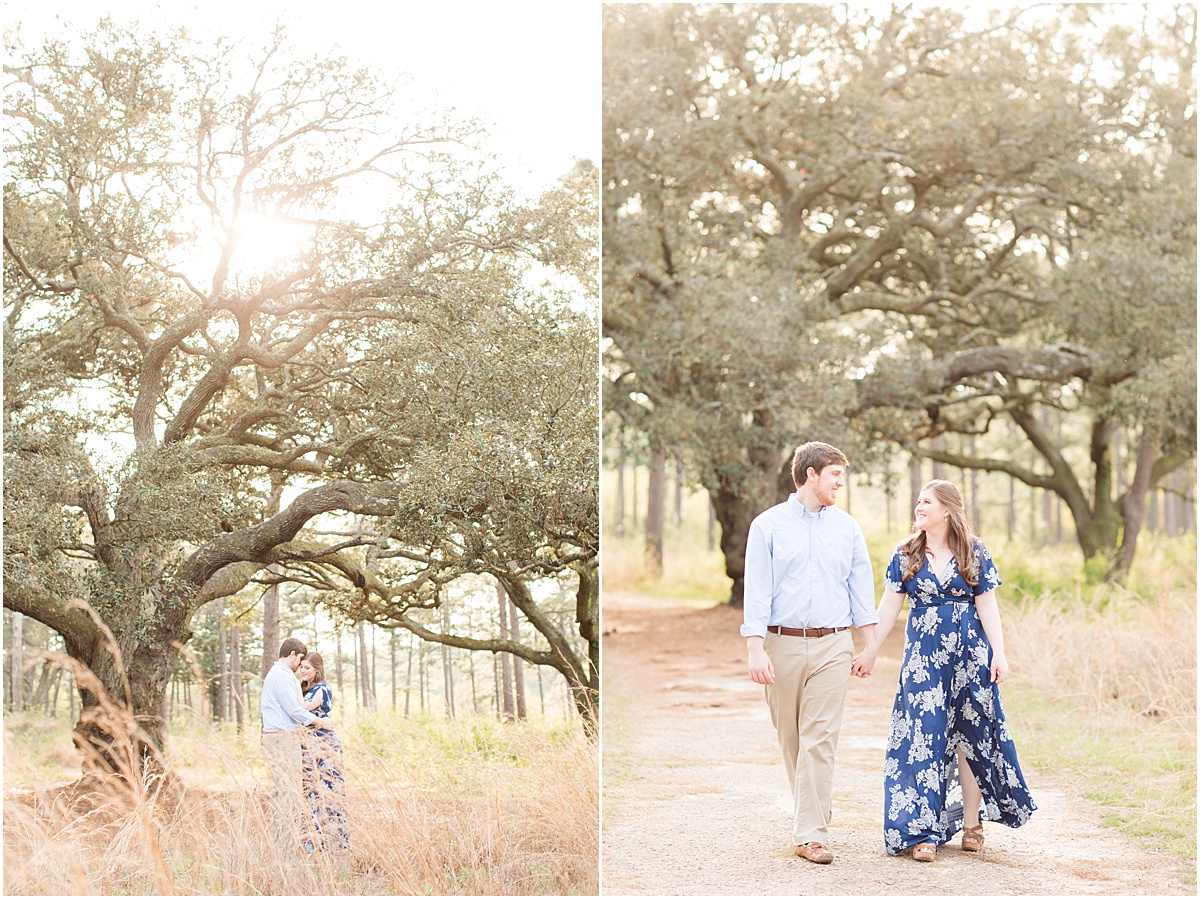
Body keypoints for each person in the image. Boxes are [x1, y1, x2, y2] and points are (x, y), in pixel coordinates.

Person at [852, 479, 1036, 862]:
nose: (918, 507)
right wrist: (870, 650)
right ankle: (923, 833)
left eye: (926, 502)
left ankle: (972, 825)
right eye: (918, 501)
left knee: (971, 737)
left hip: (971, 657)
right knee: (924, 737)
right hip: (923, 662)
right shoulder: (905, 554)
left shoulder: (974, 550)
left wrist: (998, 654)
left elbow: (987, 606)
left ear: (946, 511)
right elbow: (888, 607)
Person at [742, 441, 879, 865]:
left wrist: (870, 644)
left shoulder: (848, 528)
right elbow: (757, 590)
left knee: (820, 740)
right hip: (780, 644)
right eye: (835, 474)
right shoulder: (767, 526)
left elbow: (861, 589)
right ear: (811, 474)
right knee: (793, 741)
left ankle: (810, 833)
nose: (841, 482)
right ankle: (812, 815)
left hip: (834, 645)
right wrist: (755, 648)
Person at [260, 637, 327, 849]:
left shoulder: (281, 674)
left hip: (279, 737)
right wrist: (321, 722)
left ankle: (282, 843)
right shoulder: (281, 675)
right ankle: (285, 845)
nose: (300, 665)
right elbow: (294, 710)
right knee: (288, 792)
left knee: (284, 790)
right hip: (282, 738)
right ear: (292, 655)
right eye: (299, 659)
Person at [297, 652, 349, 852]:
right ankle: (313, 843)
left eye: (307, 667)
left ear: (317, 670)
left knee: (327, 789)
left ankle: (334, 842)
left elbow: (302, 709)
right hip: (310, 743)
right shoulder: (305, 688)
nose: (302, 670)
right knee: (312, 790)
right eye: (301, 667)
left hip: (323, 743)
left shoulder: (321, 688)